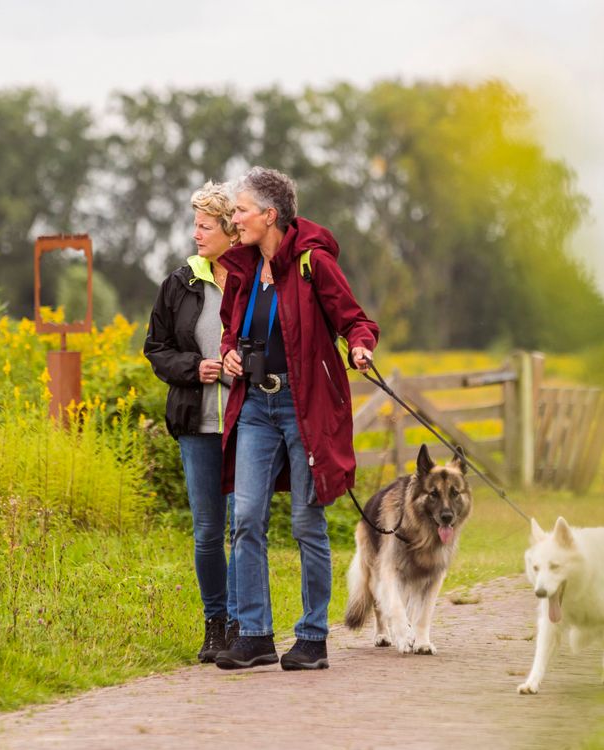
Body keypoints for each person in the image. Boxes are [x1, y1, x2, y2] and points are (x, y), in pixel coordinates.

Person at [213, 167, 379, 671]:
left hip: (305, 409)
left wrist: (360, 347)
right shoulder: (242, 270)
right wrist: (228, 355)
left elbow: (355, 319)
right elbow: (229, 330)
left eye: (241, 210)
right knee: (245, 519)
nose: (233, 218)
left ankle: (311, 637)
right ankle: (256, 636)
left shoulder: (313, 263)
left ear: (269, 215)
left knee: (307, 523)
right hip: (255, 408)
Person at [143, 181, 240, 662]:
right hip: (197, 423)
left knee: (246, 527)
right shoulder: (178, 284)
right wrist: (193, 368)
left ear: (228, 230)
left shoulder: (253, 280)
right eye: (195, 224)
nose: (196, 233)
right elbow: (156, 349)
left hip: (249, 423)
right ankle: (215, 624)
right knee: (207, 531)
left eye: (204, 225)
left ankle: (245, 624)